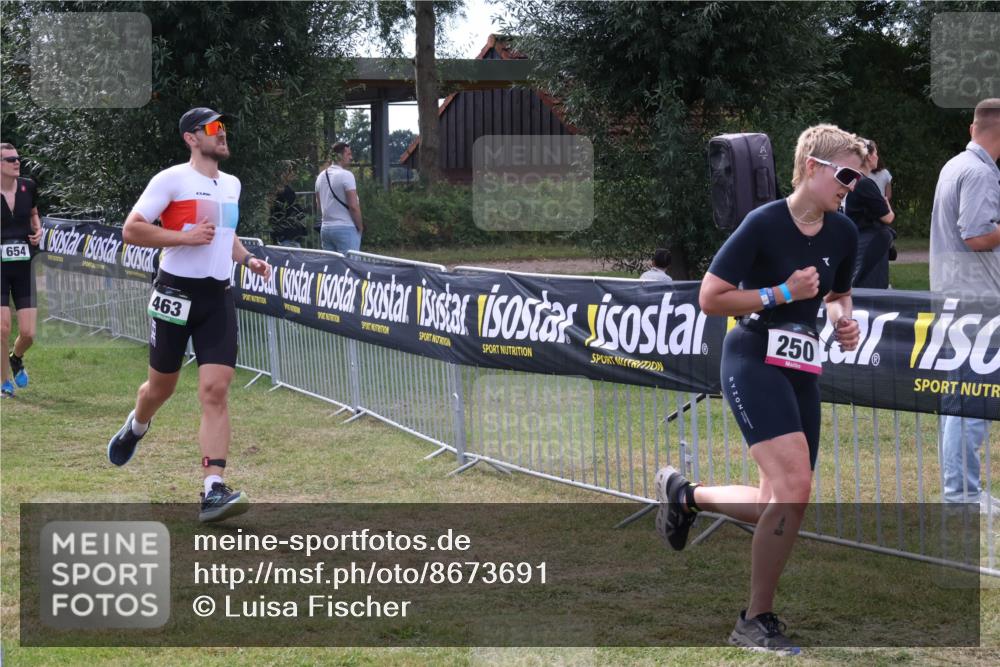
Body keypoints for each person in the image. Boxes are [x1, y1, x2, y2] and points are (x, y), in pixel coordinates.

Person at [656, 124, 864, 655]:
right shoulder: (763, 222)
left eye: (858, 178)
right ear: (812, 167)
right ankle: (755, 618)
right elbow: (711, 297)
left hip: (801, 368)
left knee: (784, 498)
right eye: (845, 174)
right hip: (751, 358)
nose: (851, 186)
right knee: (794, 485)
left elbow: (840, 295)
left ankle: (687, 496)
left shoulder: (842, 233)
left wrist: (843, 320)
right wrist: (780, 293)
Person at [106, 107, 272, 523]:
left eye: (224, 127)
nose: (223, 134)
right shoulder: (172, 180)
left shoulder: (231, 184)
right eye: (215, 128)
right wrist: (183, 237)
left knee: (216, 390)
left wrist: (247, 258)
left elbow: (226, 238)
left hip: (217, 297)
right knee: (159, 389)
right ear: (191, 138)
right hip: (174, 294)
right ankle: (137, 425)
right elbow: (132, 229)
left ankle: (213, 489)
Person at [930, 98, 1000, 510]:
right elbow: (976, 236)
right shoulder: (978, 173)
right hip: (975, 303)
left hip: (959, 298)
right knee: (968, 402)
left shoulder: (957, 165)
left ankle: (962, 490)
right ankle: (962, 494)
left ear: (974, 129)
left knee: (960, 400)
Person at [1, 142, 43, 398]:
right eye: (10, 159)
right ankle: (4, 381)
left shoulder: (29, 186)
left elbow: (34, 214)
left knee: (28, 333)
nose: (17, 162)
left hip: (24, 265)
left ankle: (15, 358)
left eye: (18, 158)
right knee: (3, 328)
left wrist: (37, 230)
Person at [846, 139, 895, 288]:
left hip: (857, 239)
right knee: (869, 289)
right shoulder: (864, 183)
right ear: (868, 156)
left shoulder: (852, 180)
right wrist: (887, 205)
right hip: (868, 243)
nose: (877, 157)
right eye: (876, 153)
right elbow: (888, 217)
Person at [314, 142, 363, 253]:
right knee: (349, 267)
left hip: (325, 229)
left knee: (331, 269)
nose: (351, 157)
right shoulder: (347, 175)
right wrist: (360, 227)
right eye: (348, 154)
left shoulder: (320, 177)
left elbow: (318, 205)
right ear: (340, 156)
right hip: (346, 228)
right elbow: (353, 206)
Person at [270, 167, 306, 247]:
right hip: (289, 232)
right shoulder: (286, 192)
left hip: (280, 232)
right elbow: (292, 209)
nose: (293, 174)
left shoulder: (275, 191)